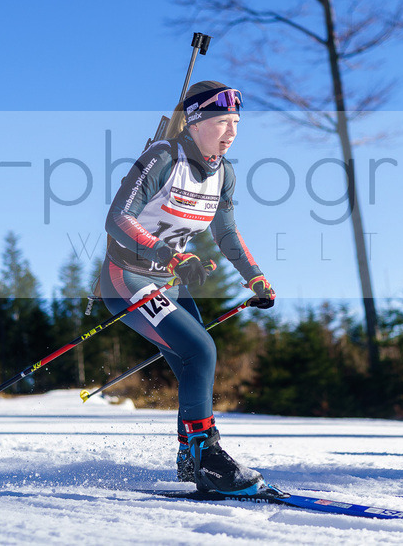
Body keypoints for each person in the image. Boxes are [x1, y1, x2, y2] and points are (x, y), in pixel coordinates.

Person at [98, 80, 277, 496]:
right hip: (127, 278)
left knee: (192, 363)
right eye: (221, 122)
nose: (231, 132)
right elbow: (117, 220)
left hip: (168, 282)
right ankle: (206, 456)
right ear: (195, 123)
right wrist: (170, 254)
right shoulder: (163, 157)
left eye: (236, 123)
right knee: (201, 350)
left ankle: (188, 457)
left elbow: (227, 231)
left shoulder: (224, 174)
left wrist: (254, 276)